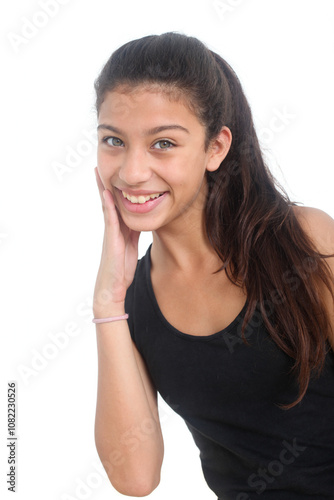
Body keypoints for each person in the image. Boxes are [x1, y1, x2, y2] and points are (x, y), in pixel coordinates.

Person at [92, 32, 334, 499]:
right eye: (113, 140)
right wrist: (108, 301)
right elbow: (135, 477)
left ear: (216, 148)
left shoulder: (304, 239)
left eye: (163, 143)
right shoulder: (134, 302)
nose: (132, 171)